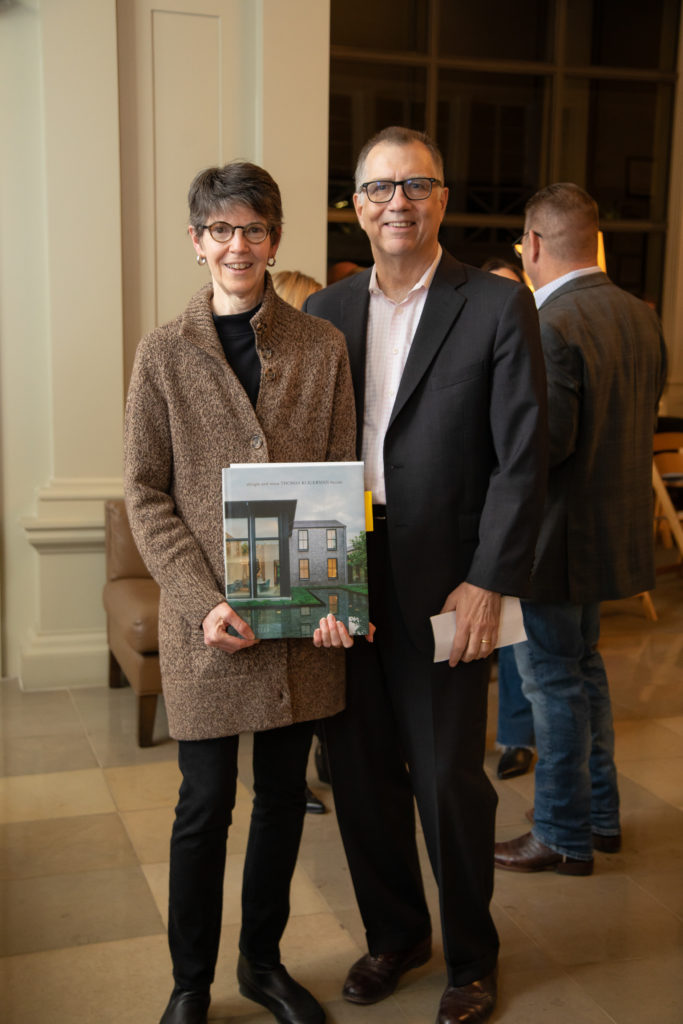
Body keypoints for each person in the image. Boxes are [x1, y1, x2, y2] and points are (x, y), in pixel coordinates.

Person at [305, 126, 548, 1024]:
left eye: (415, 185)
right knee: (360, 773)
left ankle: (471, 960)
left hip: (449, 585)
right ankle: (396, 936)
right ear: (356, 206)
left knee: (449, 780)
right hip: (344, 579)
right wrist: (306, 583)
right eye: (377, 188)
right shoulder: (326, 311)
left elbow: (522, 458)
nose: (395, 202)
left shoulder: (492, 304)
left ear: (441, 199)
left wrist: (489, 579)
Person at [124, 161, 356, 1024]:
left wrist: (333, 599)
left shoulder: (320, 346)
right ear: (196, 242)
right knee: (204, 805)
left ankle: (262, 962)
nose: (236, 245)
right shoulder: (162, 353)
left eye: (252, 229)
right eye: (219, 230)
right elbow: (145, 491)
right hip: (207, 622)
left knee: (283, 803)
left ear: (273, 239)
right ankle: (190, 982)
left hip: (297, 621)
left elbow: (336, 481)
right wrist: (198, 598)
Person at [494, 182, 667, 876]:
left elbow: (551, 442)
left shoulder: (548, 323)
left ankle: (562, 833)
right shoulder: (639, 315)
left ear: (533, 244)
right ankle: (599, 816)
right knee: (585, 672)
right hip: (611, 532)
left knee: (553, 686)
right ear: (591, 238)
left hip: (555, 543)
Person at [481, 257, 536, 780]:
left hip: (512, 522)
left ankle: (517, 736)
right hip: (467, 521)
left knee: (514, 640)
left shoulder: (536, 341)